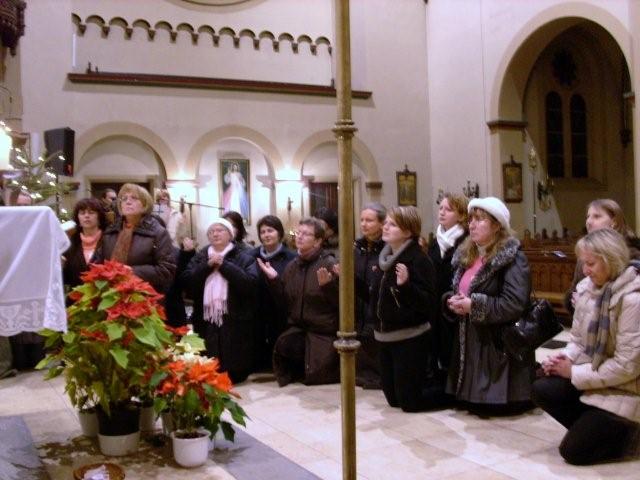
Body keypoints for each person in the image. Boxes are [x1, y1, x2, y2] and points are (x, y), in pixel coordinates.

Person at [533, 228, 640, 465]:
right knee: (542, 386)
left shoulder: (633, 298)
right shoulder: (587, 290)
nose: (585, 271)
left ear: (611, 260)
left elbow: (627, 366)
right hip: (598, 380)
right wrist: (564, 358)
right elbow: (578, 341)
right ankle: (594, 426)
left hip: (629, 390)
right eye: (584, 263)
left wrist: (574, 372)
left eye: (591, 264)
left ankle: (629, 435)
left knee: (573, 452)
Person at [445, 197, 533, 413]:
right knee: (469, 405)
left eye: (480, 219)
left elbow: (514, 303)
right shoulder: (467, 255)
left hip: (497, 345)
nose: (472, 225)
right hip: (471, 340)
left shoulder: (513, 258)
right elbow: (461, 290)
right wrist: (452, 301)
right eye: (471, 220)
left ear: (496, 225)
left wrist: (474, 306)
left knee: (488, 407)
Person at [370, 206, 439, 411]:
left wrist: (406, 286)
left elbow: (428, 303)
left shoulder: (418, 260)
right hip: (384, 337)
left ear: (408, 231)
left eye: (393, 225)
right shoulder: (383, 260)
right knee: (393, 400)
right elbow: (377, 298)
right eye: (386, 223)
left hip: (409, 337)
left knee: (410, 403)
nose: (385, 227)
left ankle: (451, 394)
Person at [257, 217, 339, 386]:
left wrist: (328, 287)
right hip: (299, 328)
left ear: (318, 241)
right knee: (283, 352)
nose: (299, 237)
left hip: (323, 331)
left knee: (316, 376)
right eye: (298, 233)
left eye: (306, 234)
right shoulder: (292, 266)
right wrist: (274, 280)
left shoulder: (330, 264)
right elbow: (285, 302)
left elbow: (343, 305)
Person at [182, 218, 258, 383]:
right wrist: (208, 266)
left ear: (230, 235)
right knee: (209, 354)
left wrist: (224, 265)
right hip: (205, 317)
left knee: (234, 356)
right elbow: (188, 283)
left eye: (220, 230)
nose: (215, 234)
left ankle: (235, 372)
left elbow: (250, 285)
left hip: (235, 315)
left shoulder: (244, 257)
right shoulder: (201, 257)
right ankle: (209, 371)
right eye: (211, 231)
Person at [564, 199, 640, 315]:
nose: (589, 222)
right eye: (588, 217)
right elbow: (575, 288)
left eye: (597, 216)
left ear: (614, 221)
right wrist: (574, 299)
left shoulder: (632, 253)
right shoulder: (586, 252)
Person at [97, 183, 176, 294]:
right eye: (124, 199)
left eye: (134, 198)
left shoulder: (158, 232)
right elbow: (99, 263)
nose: (128, 202)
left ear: (144, 204)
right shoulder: (110, 231)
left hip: (143, 297)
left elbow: (167, 270)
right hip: (111, 295)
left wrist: (132, 272)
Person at [427, 193, 469, 379]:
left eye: (449, 209)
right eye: (441, 208)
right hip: (435, 304)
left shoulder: (467, 242)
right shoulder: (435, 242)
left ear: (461, 215)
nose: (442, 212)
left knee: (453, 350)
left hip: (455, 304)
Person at [250, 215, 297, 372]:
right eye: (262, 232)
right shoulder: (251, 256)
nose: (266, 235)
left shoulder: (291, 257)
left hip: (281, 309)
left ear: (279, 233)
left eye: (270, 230)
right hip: (258, 308)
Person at [353, 202, 387, 389]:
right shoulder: (357, 248)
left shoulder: (386, 249)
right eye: (362, 220)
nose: (364, 224)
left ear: (382, 223)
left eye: (369, 220)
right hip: (359, 309)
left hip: (376, 309)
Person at [62, 197, 107, 290]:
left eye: (91, 212)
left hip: (104, 296)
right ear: (78, 218)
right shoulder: (70, 243)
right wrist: (61, 267)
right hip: (77, 296)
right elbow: (66, 279)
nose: (86, 216)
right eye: (82, 213)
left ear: (99, 217)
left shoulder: (109, 240)